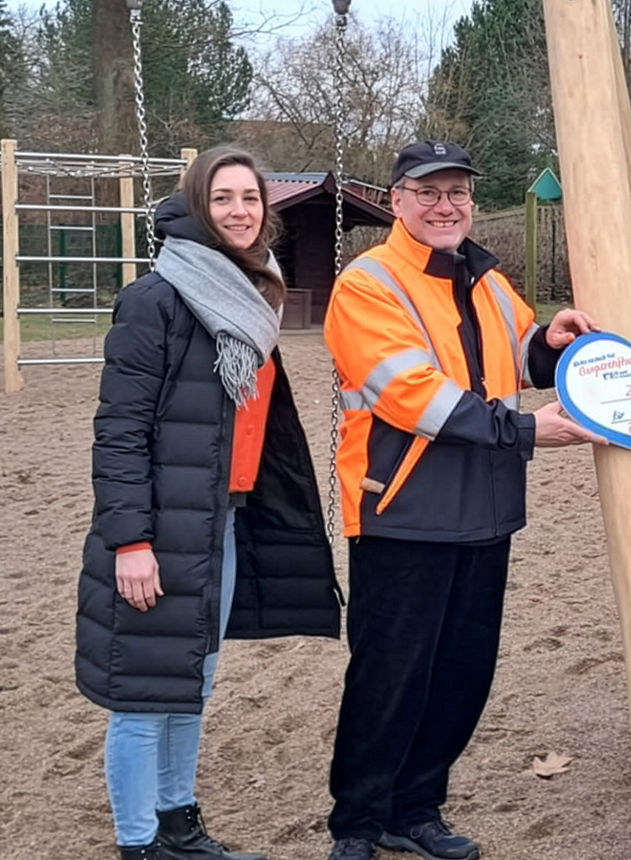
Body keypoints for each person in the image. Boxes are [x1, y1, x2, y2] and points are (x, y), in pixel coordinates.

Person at [321, 140, 605, 860]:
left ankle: (416, 808)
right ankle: (358, 822)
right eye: (428, 192)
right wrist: (528, 431)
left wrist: (553, 343)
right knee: (389, 675)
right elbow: (413, 395)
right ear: (397, 201)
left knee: (461, 674)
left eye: (457, 192)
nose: (445, 206)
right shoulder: (369, 283)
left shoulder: (485, 278)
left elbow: (517, 352)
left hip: (484, 511)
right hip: (404, 510)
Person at [75, 146, 343, 860]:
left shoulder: (253, 294)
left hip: (220, 518)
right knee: (144, 692)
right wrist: (131, 543)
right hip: (161, 528)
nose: (239, 211)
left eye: (250, 198)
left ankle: (177, 825)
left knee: (190, 678)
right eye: (223, 198)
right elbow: (120, 432)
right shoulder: (158, 299)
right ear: (199, 204)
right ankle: (139, 844)